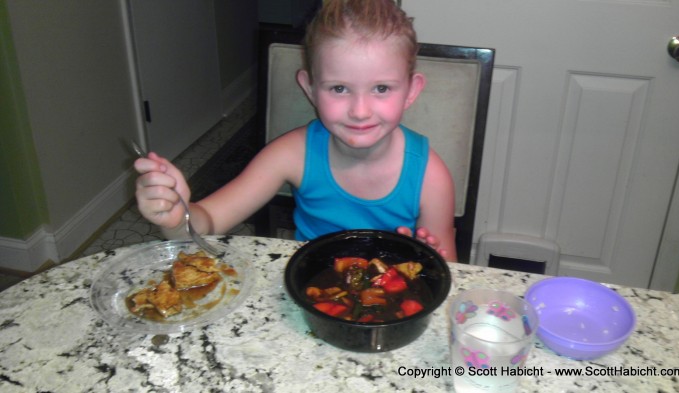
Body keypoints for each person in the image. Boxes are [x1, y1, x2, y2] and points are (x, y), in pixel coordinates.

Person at [134, 0, 457, 261]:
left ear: (411, 91)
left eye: (382, 88)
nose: (360, 110)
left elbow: (448, 271)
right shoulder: (291, 153)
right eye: (340, 88)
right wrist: (177, 218)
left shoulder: (430, 176)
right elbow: (208, 222)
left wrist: (431, 260)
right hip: (311, 291)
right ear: (310, 88)